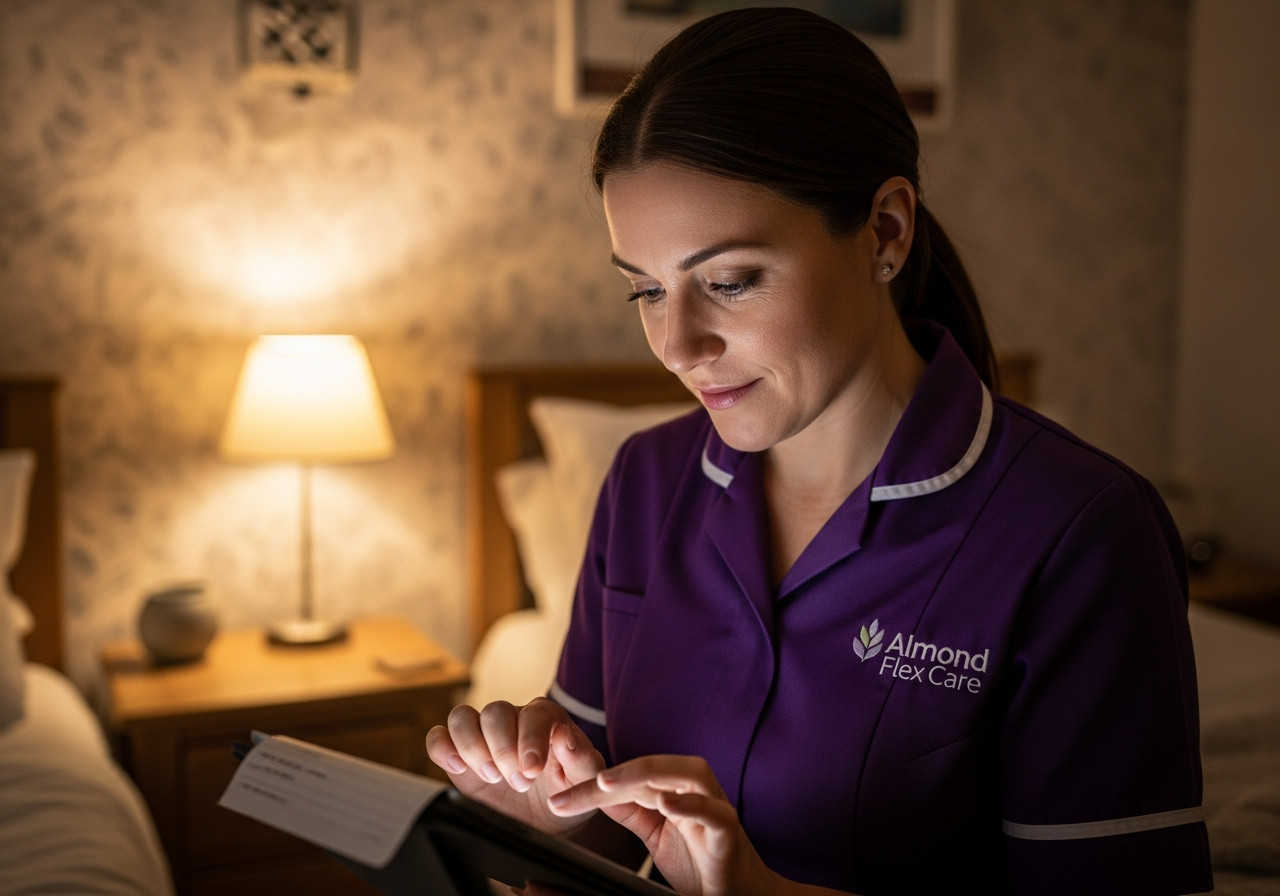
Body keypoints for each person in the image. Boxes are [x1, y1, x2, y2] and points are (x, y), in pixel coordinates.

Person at [427, 8, 1212, 895]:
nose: (678, 345)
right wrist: (514, 808)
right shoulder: (646, 481)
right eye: (644, 291)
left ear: (885, 232)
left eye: (729, 281)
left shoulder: (1082, 533)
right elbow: (602, 835)